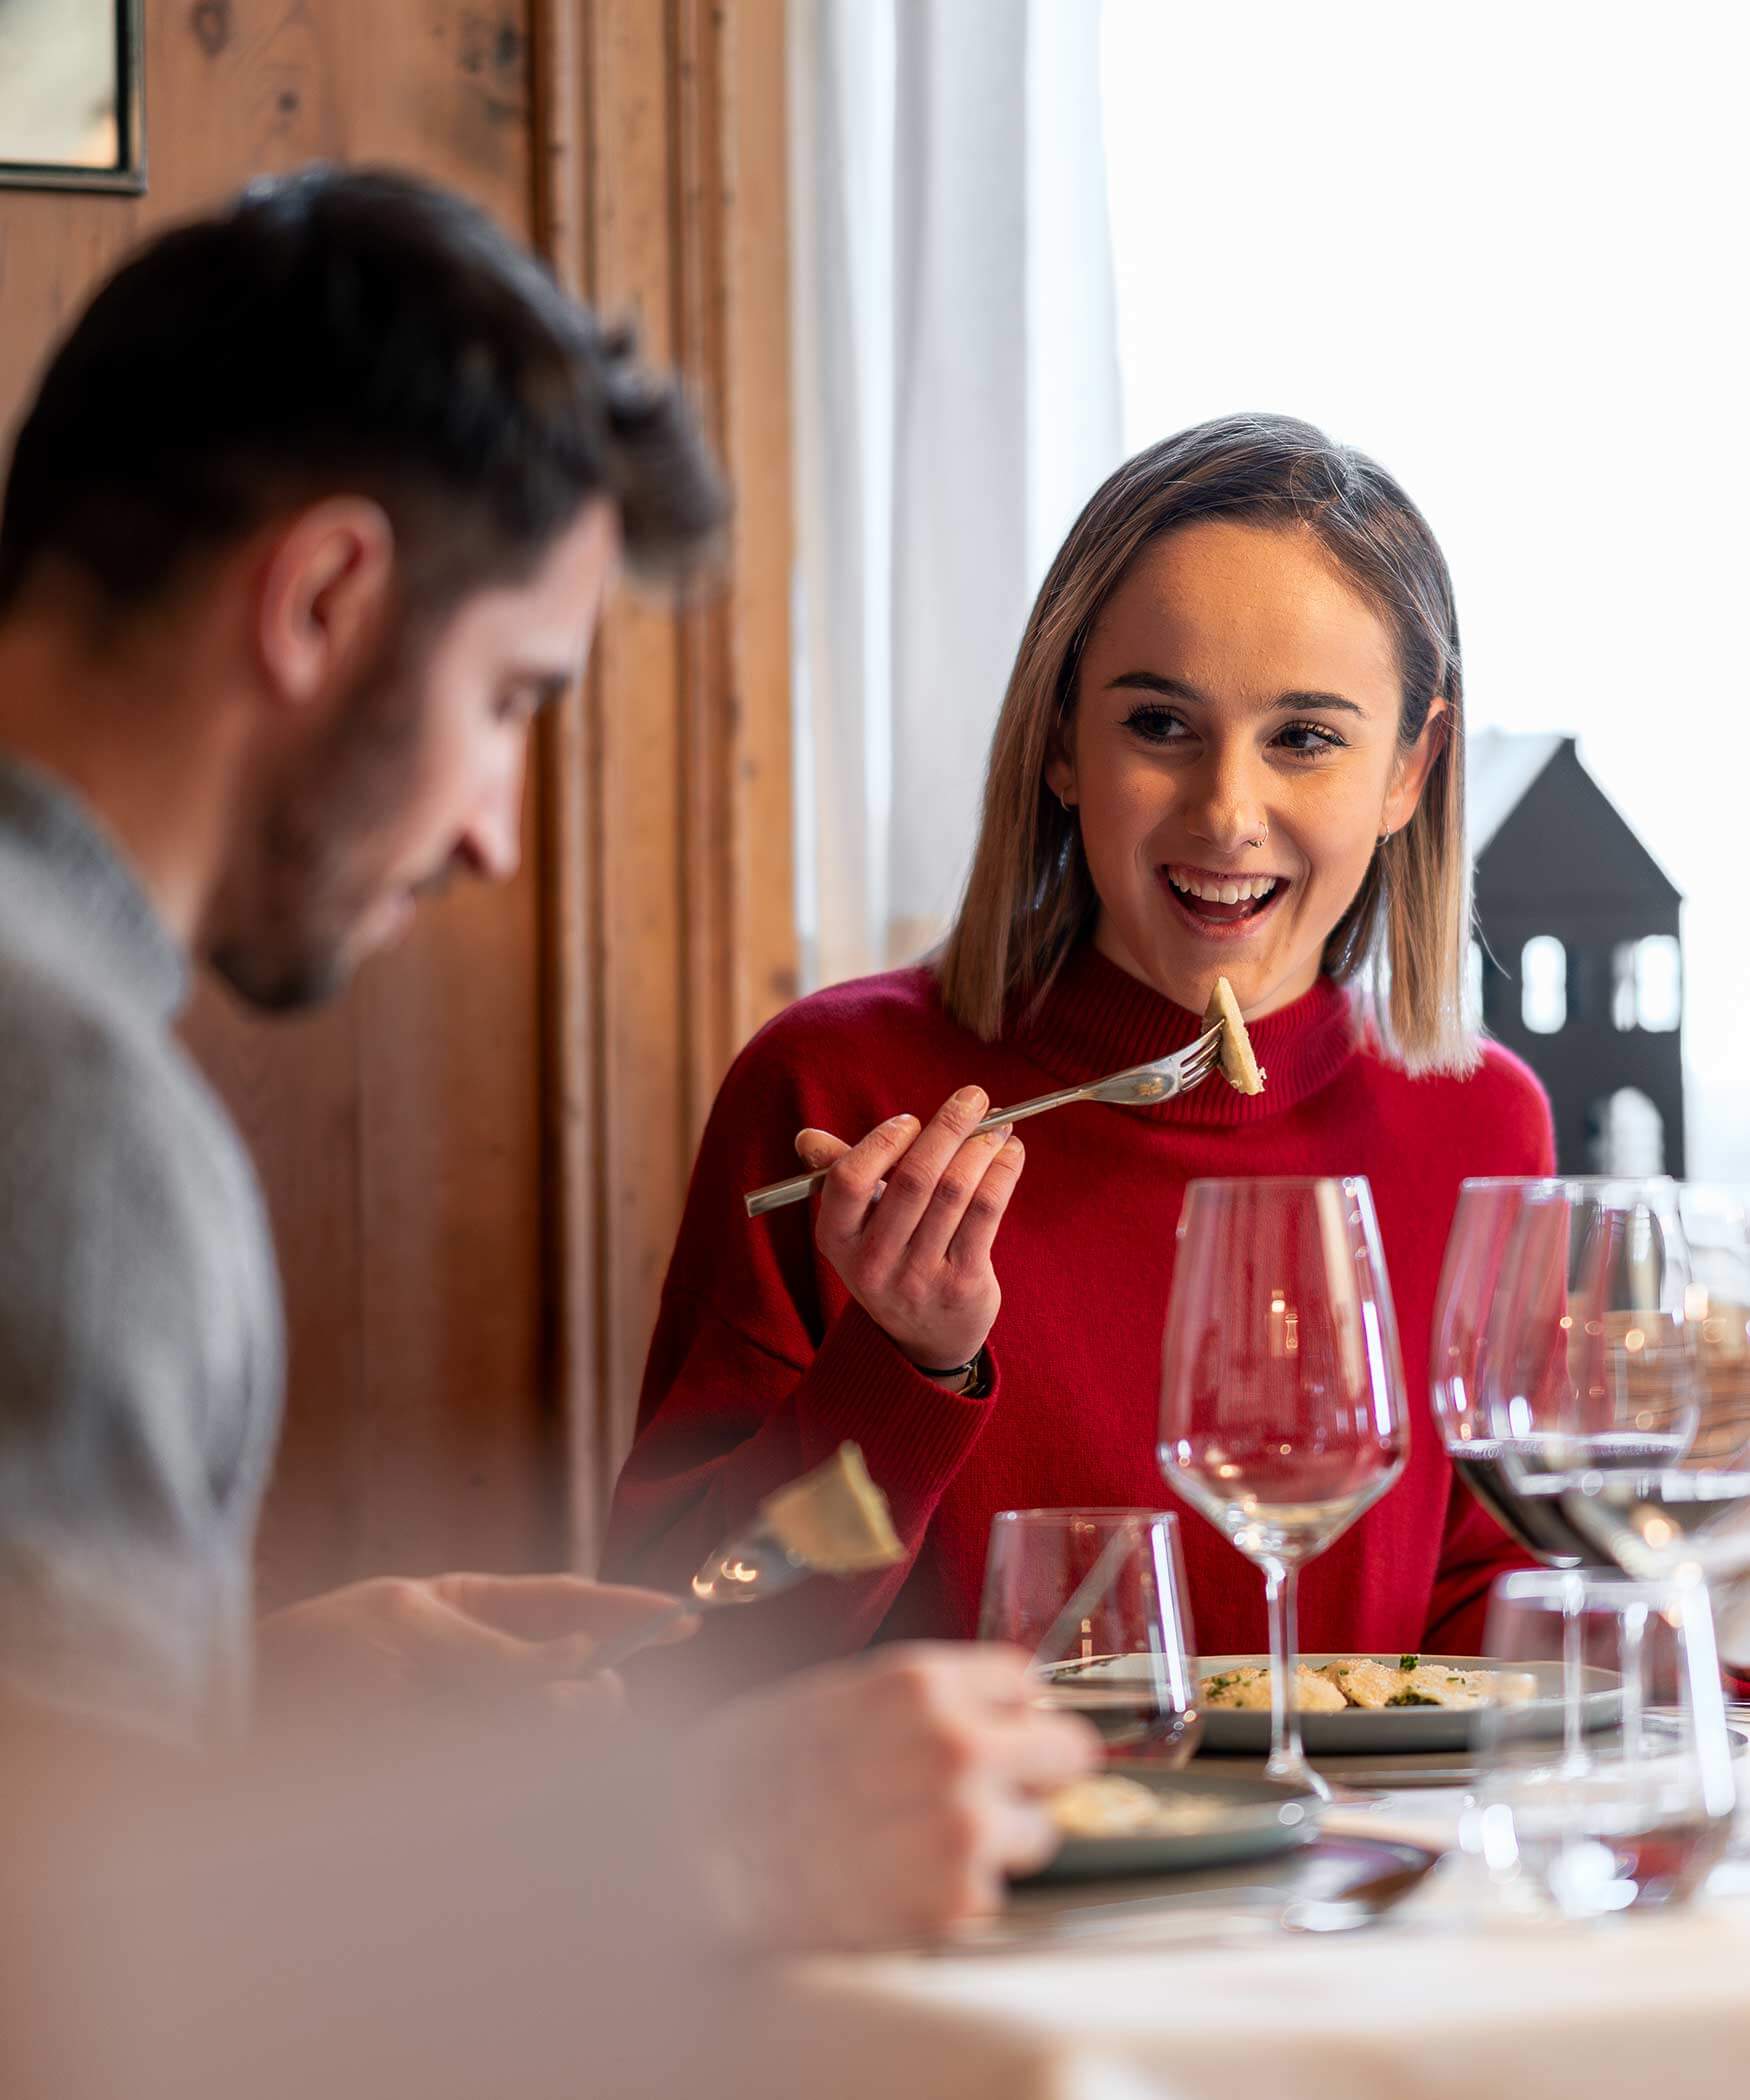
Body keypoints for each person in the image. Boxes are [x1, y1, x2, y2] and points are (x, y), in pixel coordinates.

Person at [0, 164, 1094, 1967]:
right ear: (324, 601)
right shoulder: (77, 1127)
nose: (499, 834)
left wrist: (245, 1695)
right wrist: (705, 1846)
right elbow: (68, 1992)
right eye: (511, 698)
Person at [605, 414, 1555, 1701]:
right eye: (1160, 723)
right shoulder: (832, 1089)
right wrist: (902, 1376)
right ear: (1060, 743)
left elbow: (1490, 1610)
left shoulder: (1479, 1123)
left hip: (1352, 1892)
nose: (1227, 810)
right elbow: (683, 1645)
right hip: (964, 1891)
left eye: (1306, 737)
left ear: (1410, 769)